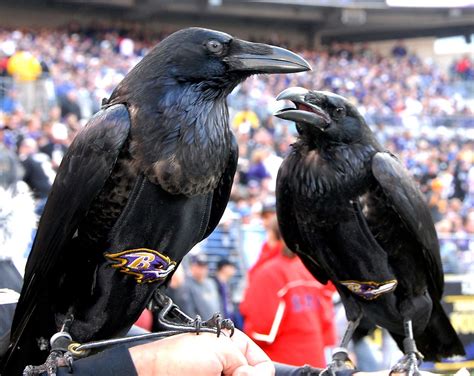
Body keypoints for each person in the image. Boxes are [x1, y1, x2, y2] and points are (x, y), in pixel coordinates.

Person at [240, 218, 337, 368]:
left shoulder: (269, 272)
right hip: (315, 361)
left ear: (273, 236)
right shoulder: (311, 269)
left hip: (282, 362)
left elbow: (261, 329)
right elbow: (327, 323)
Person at [181, 253, 220, 320]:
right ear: (192, 267)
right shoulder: (186, 285)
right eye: (199, 266)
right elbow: (189, 311)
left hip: (214, 326)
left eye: (204, 266)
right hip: (199, 327)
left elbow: (218, 307)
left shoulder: (211, 283)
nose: (202, 270)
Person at [212, 259, 238, 325]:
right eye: (231, 267)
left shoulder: (228, 284)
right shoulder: (212, 283)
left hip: (228, 321)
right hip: (218, 321)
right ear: (224, 268)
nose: (233, 269)